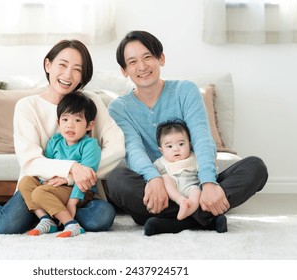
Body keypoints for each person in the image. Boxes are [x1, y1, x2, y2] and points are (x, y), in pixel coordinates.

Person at [106, 30, 268, 236]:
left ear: (161, 58)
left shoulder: (186, 90)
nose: (142, 66)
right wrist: (154, 179)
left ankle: (173, 222)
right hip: (159, 188)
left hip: (196, 181)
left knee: (256, 167)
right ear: (124, 70)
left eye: (148, 57)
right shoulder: (119, 108)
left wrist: (208, 182)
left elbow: (201, 137)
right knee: (116, 180)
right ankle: (205, 217)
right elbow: (133, 150)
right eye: (133, 62)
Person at [0, 39, 125, 235]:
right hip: (38, 186)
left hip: (78, 191)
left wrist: (72, 179)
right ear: (48, 65)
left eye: (77, 69)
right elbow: (30, 161)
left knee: (101, 217)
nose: (68, 74)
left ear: (83, 75)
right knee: (6, 225)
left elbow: (117, 147)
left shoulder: (90, 102)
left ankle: (53, 217)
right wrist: (72, 169)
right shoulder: (27, 106)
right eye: (63, 65)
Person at [18, 91, 100, 238]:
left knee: (39, 193)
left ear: (89, 125)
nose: (70, 125)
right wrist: (45, 183)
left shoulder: (90, 145)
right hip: (55, 186)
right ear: (58, 123)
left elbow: (85, 179)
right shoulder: (55, 141)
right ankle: (46, 219)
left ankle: (71, 224)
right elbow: (47, 167)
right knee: (25, 183)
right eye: (65, 119)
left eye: (77, 120)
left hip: (79, 190)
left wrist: (72, 203)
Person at [153, 120, 201, 221]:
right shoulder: (161, 162)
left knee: (197, 192)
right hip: (172, 190)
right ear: (162, 150)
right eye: (169, 146)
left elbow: (205, 169)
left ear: (189, 144)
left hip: (190, 187)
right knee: (165, 178)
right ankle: (181, 201)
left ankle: (189, 209)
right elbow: (151, 174)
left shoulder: (195, 158)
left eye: (181, 144)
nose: (176, 149)